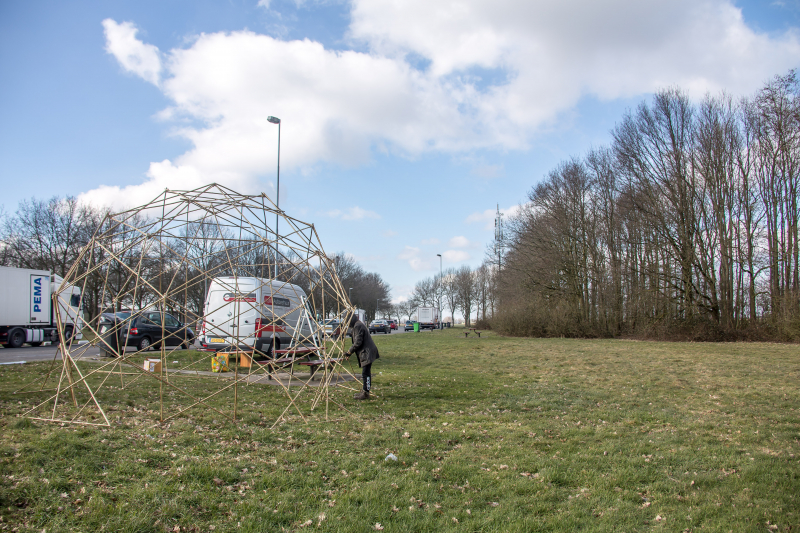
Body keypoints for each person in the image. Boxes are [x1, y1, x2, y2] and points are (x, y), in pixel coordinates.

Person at [344, 314, 379, 400]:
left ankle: (366, 393)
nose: (347, 324)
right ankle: (365, 391)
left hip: (367, 352)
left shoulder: (358, 326)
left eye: (347, 322)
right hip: (367, 351)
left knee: (365, 373)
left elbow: (357, 342)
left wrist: (349, 352)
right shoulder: (358, 324)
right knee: (366, 372)